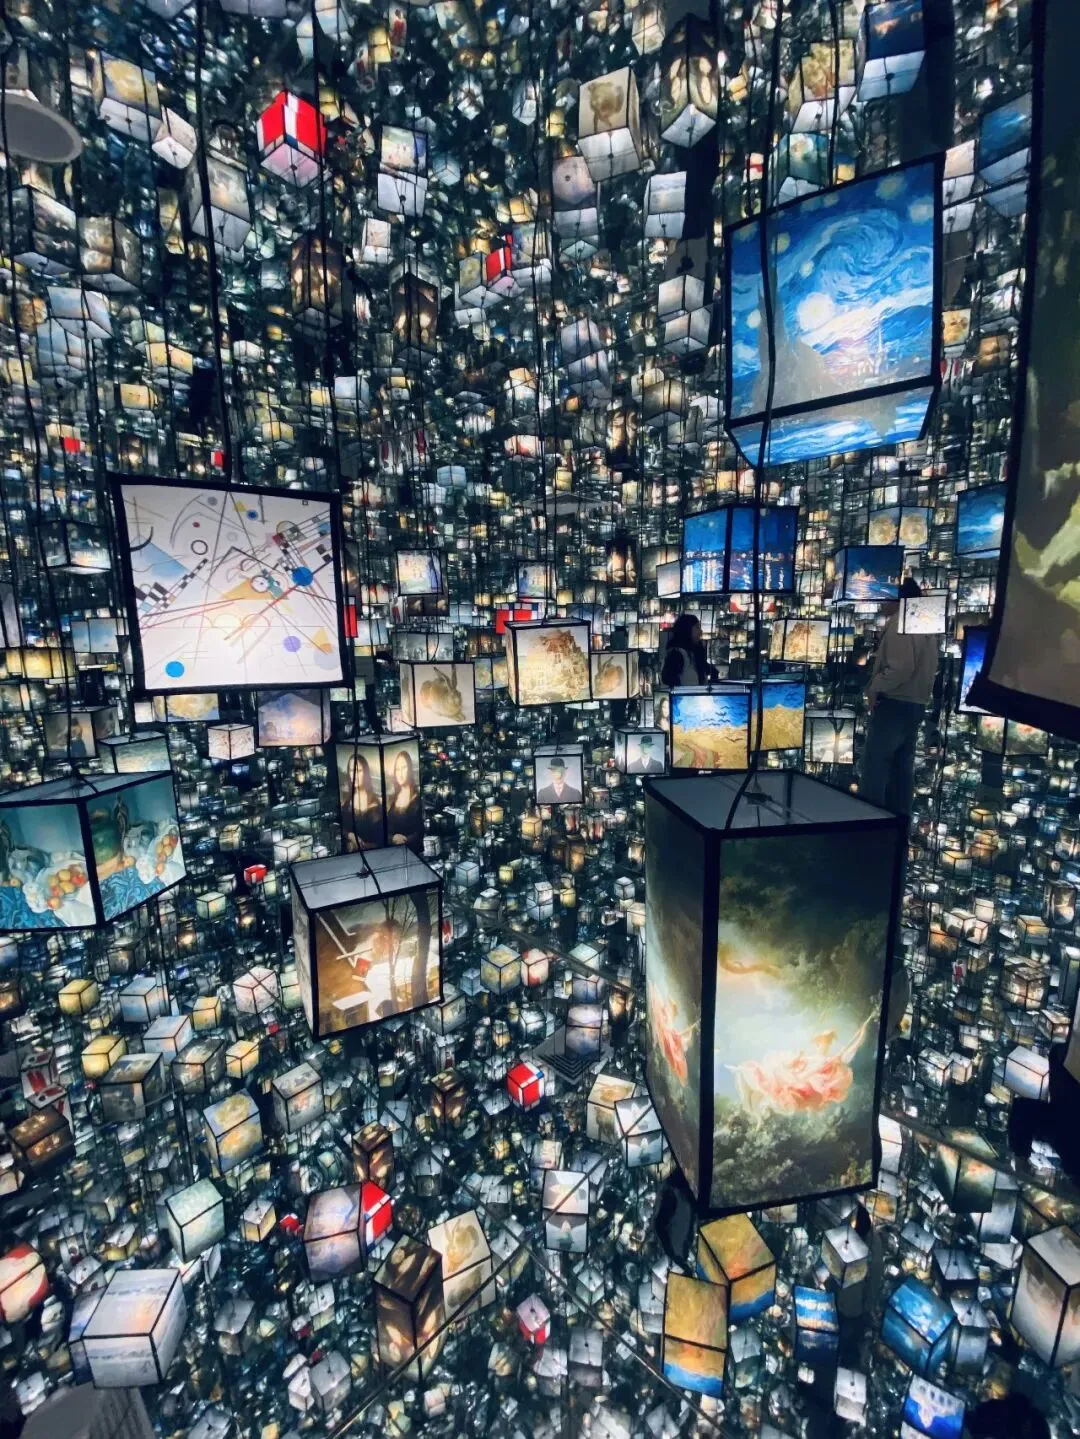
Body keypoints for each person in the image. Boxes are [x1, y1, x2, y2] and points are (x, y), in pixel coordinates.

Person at [859, 577, 939, 816]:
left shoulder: (901, 624)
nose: (881, 602)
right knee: (901, 770)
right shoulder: (925, 625)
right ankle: (898, 822)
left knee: (875, 767)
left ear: (898, 600)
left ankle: (867, 821)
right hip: (915, 704)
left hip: (894, 704)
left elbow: (901, 668)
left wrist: (875, 687)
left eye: (885, 596)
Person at [661, 613, 719, 688]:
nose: (700, 632)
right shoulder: (677, 654)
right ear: (687, 630)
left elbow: (710, 670)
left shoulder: (696, 653)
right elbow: (668, 677)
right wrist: (681, 690)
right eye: (697, 628)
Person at [343, 751, 382, 852]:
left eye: (359, 770)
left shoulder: (375, 805)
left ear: (365, 772)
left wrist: (356, 847)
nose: (355, 775)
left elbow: (380, 842)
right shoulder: (348, 801)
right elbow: (340, 827)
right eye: (352, 770)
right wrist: (350, 835)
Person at [387, 747, 423, 851]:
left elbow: (421, 830)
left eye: (404, 768)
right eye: (397, 769)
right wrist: (392, 838)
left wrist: (406, 840)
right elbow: (384, 829)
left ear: (410, 769)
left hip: (414, 850)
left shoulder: (418, 798)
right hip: (393, 851)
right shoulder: (391, 799)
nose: (400, 773)